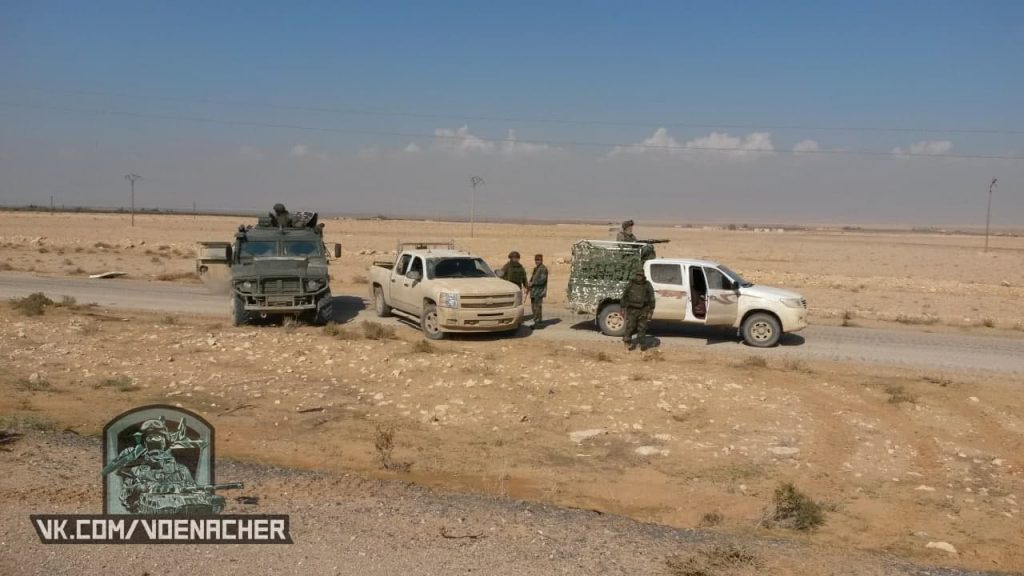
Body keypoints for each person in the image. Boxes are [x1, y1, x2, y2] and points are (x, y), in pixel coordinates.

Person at [621, 269, 655, 351]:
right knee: (634, 327)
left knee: (638, 327)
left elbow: (651, 297)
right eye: (638, 275)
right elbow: (652, 297)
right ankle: (630, 343)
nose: (639, 277)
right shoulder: (644, 284)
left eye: (640, 275)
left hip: (642, 309)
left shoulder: (643, 284)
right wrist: (622, 307)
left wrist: (651, 309)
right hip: (635, 309)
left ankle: (638, 344)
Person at [528, 254, 548, 328]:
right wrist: (529, 285)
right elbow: (533, 278)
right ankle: (536, 322)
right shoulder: (536, 268)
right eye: (536, 260)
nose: (537, 261)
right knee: (534, 307)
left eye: (539, 260)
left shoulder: (543, 269)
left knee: (537, 308)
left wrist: (532, 283)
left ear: (542, 260)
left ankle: (539, 324)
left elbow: (542, 280)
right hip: (534, 291)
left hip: (539, 292)